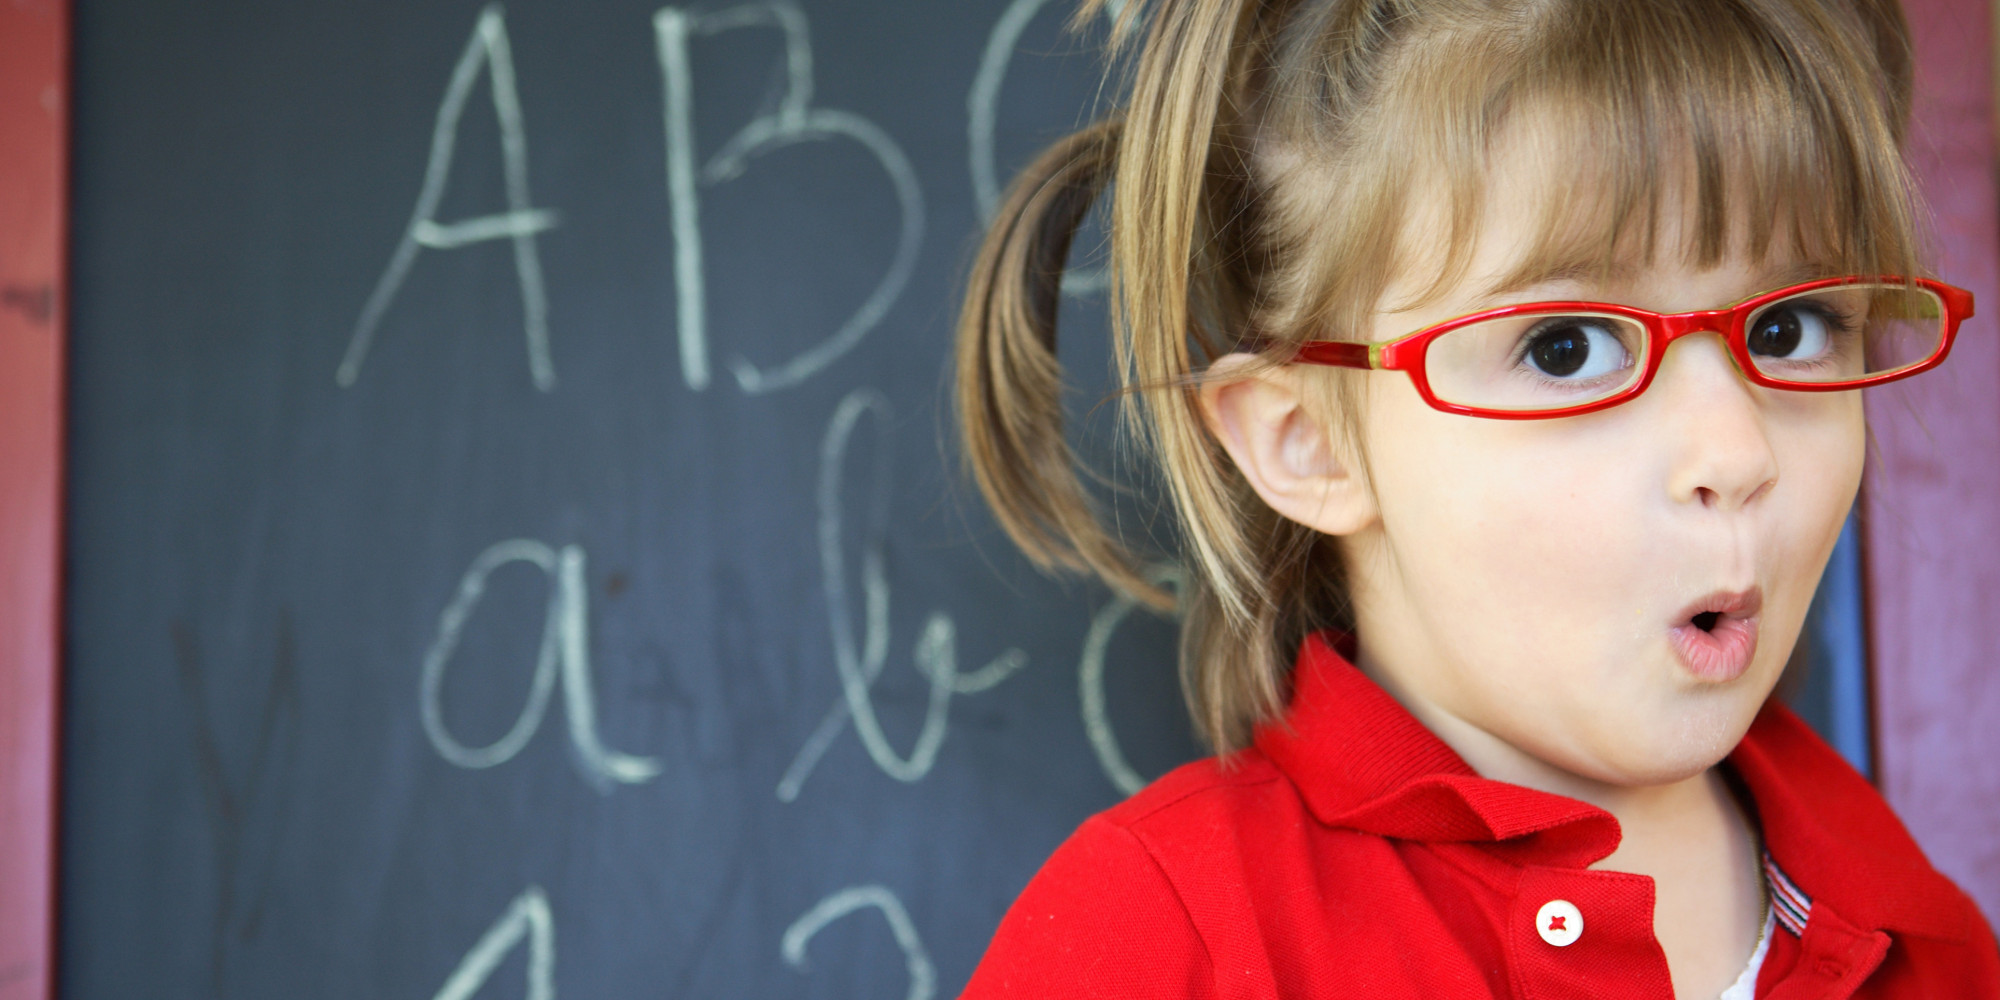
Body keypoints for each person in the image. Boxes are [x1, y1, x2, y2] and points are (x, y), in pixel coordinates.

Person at [951, 0, 2000, 996]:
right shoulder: (1152, 941)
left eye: (1790, 327)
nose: (1733, 451)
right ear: (1306, 443)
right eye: (1564, 347)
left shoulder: (1921, 931)